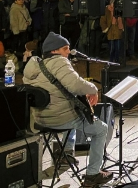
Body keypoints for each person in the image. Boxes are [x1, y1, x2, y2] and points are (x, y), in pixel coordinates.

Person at [23, 32, 113, 186]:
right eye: (65, 49)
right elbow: (76, 85)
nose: (68, 53)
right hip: (59, 119)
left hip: (40, 119)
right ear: (54, 51)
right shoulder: (59, 62)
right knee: (101, 129)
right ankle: (93, 175)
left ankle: (65, 154)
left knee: (71, 110)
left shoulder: (33, 66)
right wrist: (93, 89)